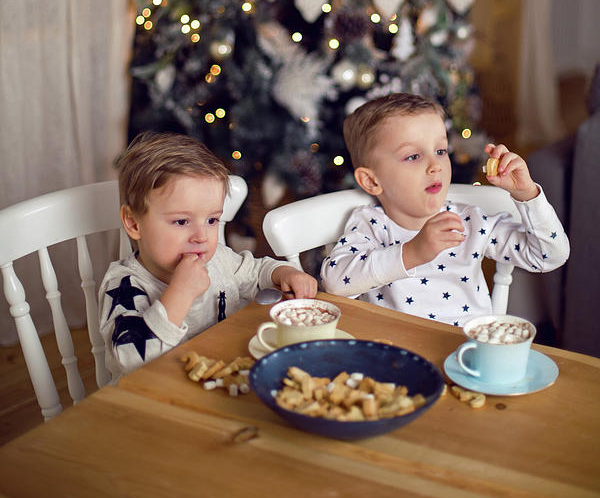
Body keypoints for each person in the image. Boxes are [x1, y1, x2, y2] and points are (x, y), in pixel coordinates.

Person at [320, 93, 569, 326]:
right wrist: (412, 252)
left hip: (469, 354)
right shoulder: (372, 225)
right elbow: (335, 283)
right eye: (413, 156)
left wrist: (527, 194)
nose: (435, 165)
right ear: (372, 181)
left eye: (440, 151)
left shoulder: (471, 222)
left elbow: (549, 255)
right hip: (399, 356)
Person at [99, 132, 317, 381]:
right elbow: (130, 356)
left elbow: (256, 272)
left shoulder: (217, 261)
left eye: (212, 220)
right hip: (152, 402)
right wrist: (180, 293)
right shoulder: (124, 285)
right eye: (182, 221)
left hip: (218, 380)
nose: (201, 236)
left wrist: (284, 273)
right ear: (134, 223)